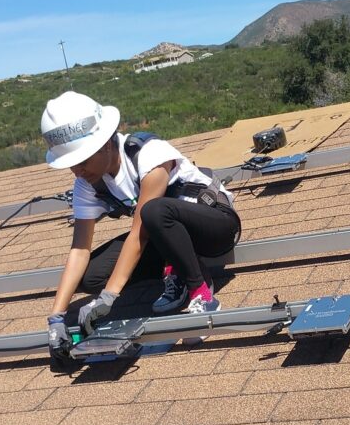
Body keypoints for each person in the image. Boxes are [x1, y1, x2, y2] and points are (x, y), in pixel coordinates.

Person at [40, 91, 241, 353]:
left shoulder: (149, 155)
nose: (77, 171)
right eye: (71, 165)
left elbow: (139, 232)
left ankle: (201, 291)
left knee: (154, 211)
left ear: (106, 144)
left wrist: (109, 297)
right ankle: (176, 268)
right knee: (90, 276)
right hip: (168, 236)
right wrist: (57, 316)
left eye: (82, 161)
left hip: (216, 227)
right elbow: (79, 250)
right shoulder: (87, 184)